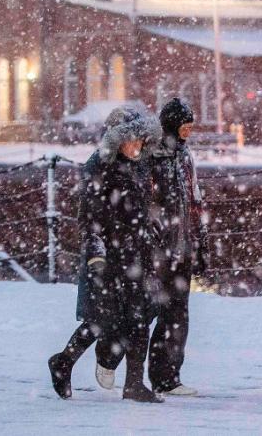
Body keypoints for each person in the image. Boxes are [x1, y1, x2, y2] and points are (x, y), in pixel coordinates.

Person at [47, 106, 162, 403]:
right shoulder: (99, 166)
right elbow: (89, 217)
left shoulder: (139, 166)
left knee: (138, 317)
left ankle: (134, 384)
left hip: (135, 253)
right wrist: (97, 254)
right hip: (108, 257)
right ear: (117, 140)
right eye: (132, 140)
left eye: (141, 139)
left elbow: (142, 209)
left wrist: (151, 231)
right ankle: (64, 361)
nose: (138, 145)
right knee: (102, 320)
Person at [94, 97, 208, 396]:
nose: (188, 131)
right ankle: (109, 355)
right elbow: (140, 201)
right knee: (143, 310)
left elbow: (194, 201)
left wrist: (200, 241)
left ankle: (166, 376)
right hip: (155, 248)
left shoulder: (185, 158)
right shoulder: (151, 157)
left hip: (180, 247)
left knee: (177, 313)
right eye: (184, 125)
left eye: (190, 126)